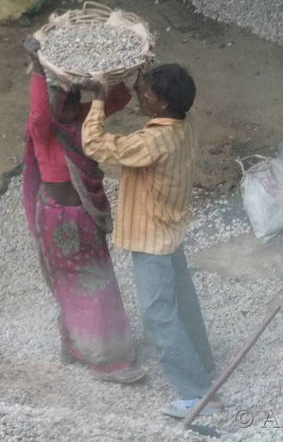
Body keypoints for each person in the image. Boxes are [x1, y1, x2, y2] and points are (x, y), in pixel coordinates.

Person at [81, 63, 220, 418]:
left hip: (151, 238)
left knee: (157, 315)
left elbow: (95, 144)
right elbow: (153, 106)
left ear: (161, 105)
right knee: (183, 301)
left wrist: (98, 100)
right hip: (171, 228)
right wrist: (140, 74)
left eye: (147, 95)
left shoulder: (153, 140)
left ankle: (195, 395)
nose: (142, 97)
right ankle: (203, 364)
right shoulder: (184, 124)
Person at [21, 37, 144, 384]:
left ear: (77, 100)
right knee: (88, 285)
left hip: (78, 215)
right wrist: (36, 69)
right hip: (62, 218)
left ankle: (77, 344)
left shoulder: (83, 117)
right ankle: (106, 361)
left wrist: (110, 69)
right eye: (57, 94)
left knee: (87, 283)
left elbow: (118, 97)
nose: (63, 100)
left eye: (69, 95)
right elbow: (38, 112)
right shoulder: (45, 131)